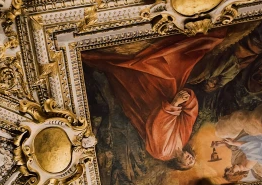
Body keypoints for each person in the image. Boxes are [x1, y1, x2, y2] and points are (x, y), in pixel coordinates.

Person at [82, 28, 228, 166]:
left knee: (135, 75)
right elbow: (189, 117)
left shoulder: (162, 153)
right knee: (176, 69)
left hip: (147, 104)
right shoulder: (183, 141)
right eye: (193, 160)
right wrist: (187, 99)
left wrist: (174, 104)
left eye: (188, 163)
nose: (191, 159)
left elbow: (158, 126)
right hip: (168, 97)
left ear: (179, 164)